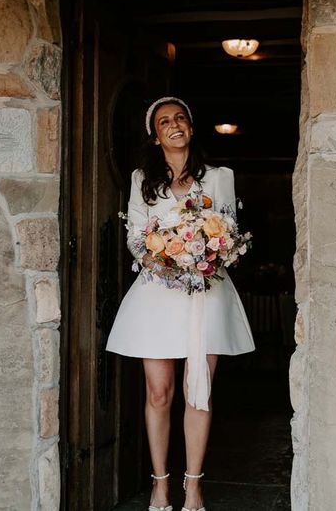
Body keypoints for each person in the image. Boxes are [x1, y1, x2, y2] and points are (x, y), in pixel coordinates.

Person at [106, 96, 255, 511]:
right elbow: (136, 238)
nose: (174, 125)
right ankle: (159, 483)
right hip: (158, 295)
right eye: (164, 122)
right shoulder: (141, 180)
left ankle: (193, 487)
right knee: (159, 392)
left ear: (190, 127)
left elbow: (228, 232)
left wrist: (207, 249)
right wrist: (168, 251)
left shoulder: (220, 177)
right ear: (155, 136)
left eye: (180, 119)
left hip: (206, 294)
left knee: (198, 392)